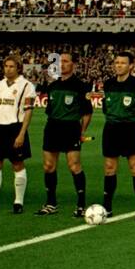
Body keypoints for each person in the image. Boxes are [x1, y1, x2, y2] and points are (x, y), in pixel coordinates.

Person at [36, 52, 94, 218]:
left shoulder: (81, 86)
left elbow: (88, 113)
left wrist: (82, 131)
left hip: (71, 128)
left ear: (73, 64)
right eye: (60, 61)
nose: (62, 64)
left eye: (66, 61)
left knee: (74, 165)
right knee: (48, 166)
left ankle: (81, 204)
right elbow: (50, 110)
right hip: (52, 127)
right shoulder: (53, 86)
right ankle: (51, 203)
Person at [0, 55, 36, 214]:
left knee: (17, 163)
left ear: (18, 68)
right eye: (6, 66)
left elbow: (29, 111)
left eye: (11, 66)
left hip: (15, 128)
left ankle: (18, 202)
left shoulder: (27, 86)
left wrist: (22, 133)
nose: (8, 69)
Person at [100, 51, 135, 220]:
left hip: (130, 130)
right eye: (116, 62)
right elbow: (106, 109)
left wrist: (133, 128)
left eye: (123, 63)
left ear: (131, 66)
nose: (118, 66)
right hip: (111, 130)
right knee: (109, 168)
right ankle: (107, 207)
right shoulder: (108, 84)